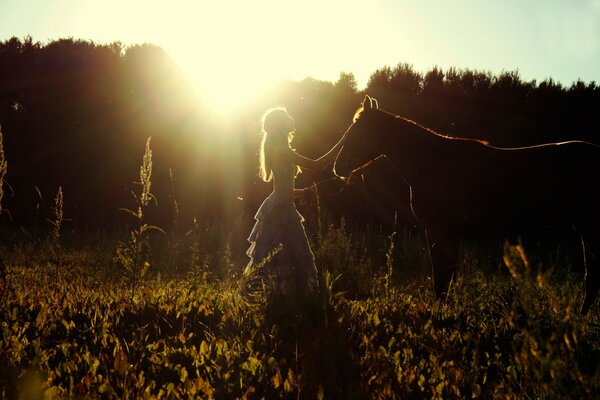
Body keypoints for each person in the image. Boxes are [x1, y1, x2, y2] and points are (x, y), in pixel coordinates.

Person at [245, 107, 347, 295]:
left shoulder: (279, 149)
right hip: (281, 210)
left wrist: (301, 193)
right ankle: (287, 297)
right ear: (280, 125)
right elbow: (316, 165)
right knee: (289, 256)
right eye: (286, 117)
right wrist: (344, 141)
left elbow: (282, 189)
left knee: (280, 256)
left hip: (279, 205)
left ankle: (281, 298)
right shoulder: (282, 150)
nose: (290, 119)